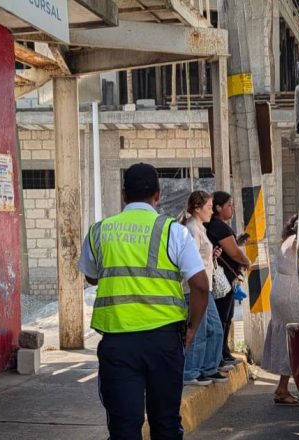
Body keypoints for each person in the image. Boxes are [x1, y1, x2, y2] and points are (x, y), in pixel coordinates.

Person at [78, 163, 210, 440]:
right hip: (163, 342)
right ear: (158, 195)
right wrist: (192, 329)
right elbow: (200, 285)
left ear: (124, 194)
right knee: (165, 423)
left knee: (124, 426)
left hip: (118, 343)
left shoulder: (100, 231)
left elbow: (91, 277)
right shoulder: (174, 231)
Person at [261, 214, 299, 407]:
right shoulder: (297, 240)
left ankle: (284, 387)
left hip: (282, 291)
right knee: (295, 338)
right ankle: (283, 389)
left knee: (288, 337)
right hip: (293, 294)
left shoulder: (287, 239)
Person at [178, 191, 228, 386]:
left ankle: (208, 368)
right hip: (195, 289)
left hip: (203, 288)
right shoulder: (192, 230)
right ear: (197, 209)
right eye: (208, 207)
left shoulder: (200, 229)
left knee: (214, 328)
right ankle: (191, 371)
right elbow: (191, 261)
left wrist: (212, 255)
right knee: (199, 330)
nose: (211, 211)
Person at [204, 191, 251, 366]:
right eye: (229, 205)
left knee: (225, 317)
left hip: (222, 280)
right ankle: (219, 356)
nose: (232, 208)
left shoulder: (216, 226)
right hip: (220, 282)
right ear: (218, 208)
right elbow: (234, 252)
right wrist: (247, 261)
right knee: (222, 319)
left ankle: (222, 353)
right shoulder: (218, 226)